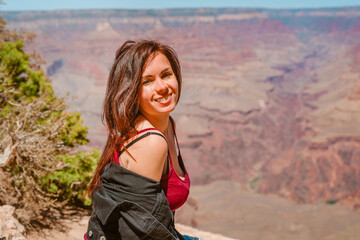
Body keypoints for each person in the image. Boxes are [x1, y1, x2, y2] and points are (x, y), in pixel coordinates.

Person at [84, 40, 200, 240]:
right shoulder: (150, 142)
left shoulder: (167, 124)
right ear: (132, 91)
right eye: (147, 81)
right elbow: (139, 233)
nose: (162, 87)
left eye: (166, 75)